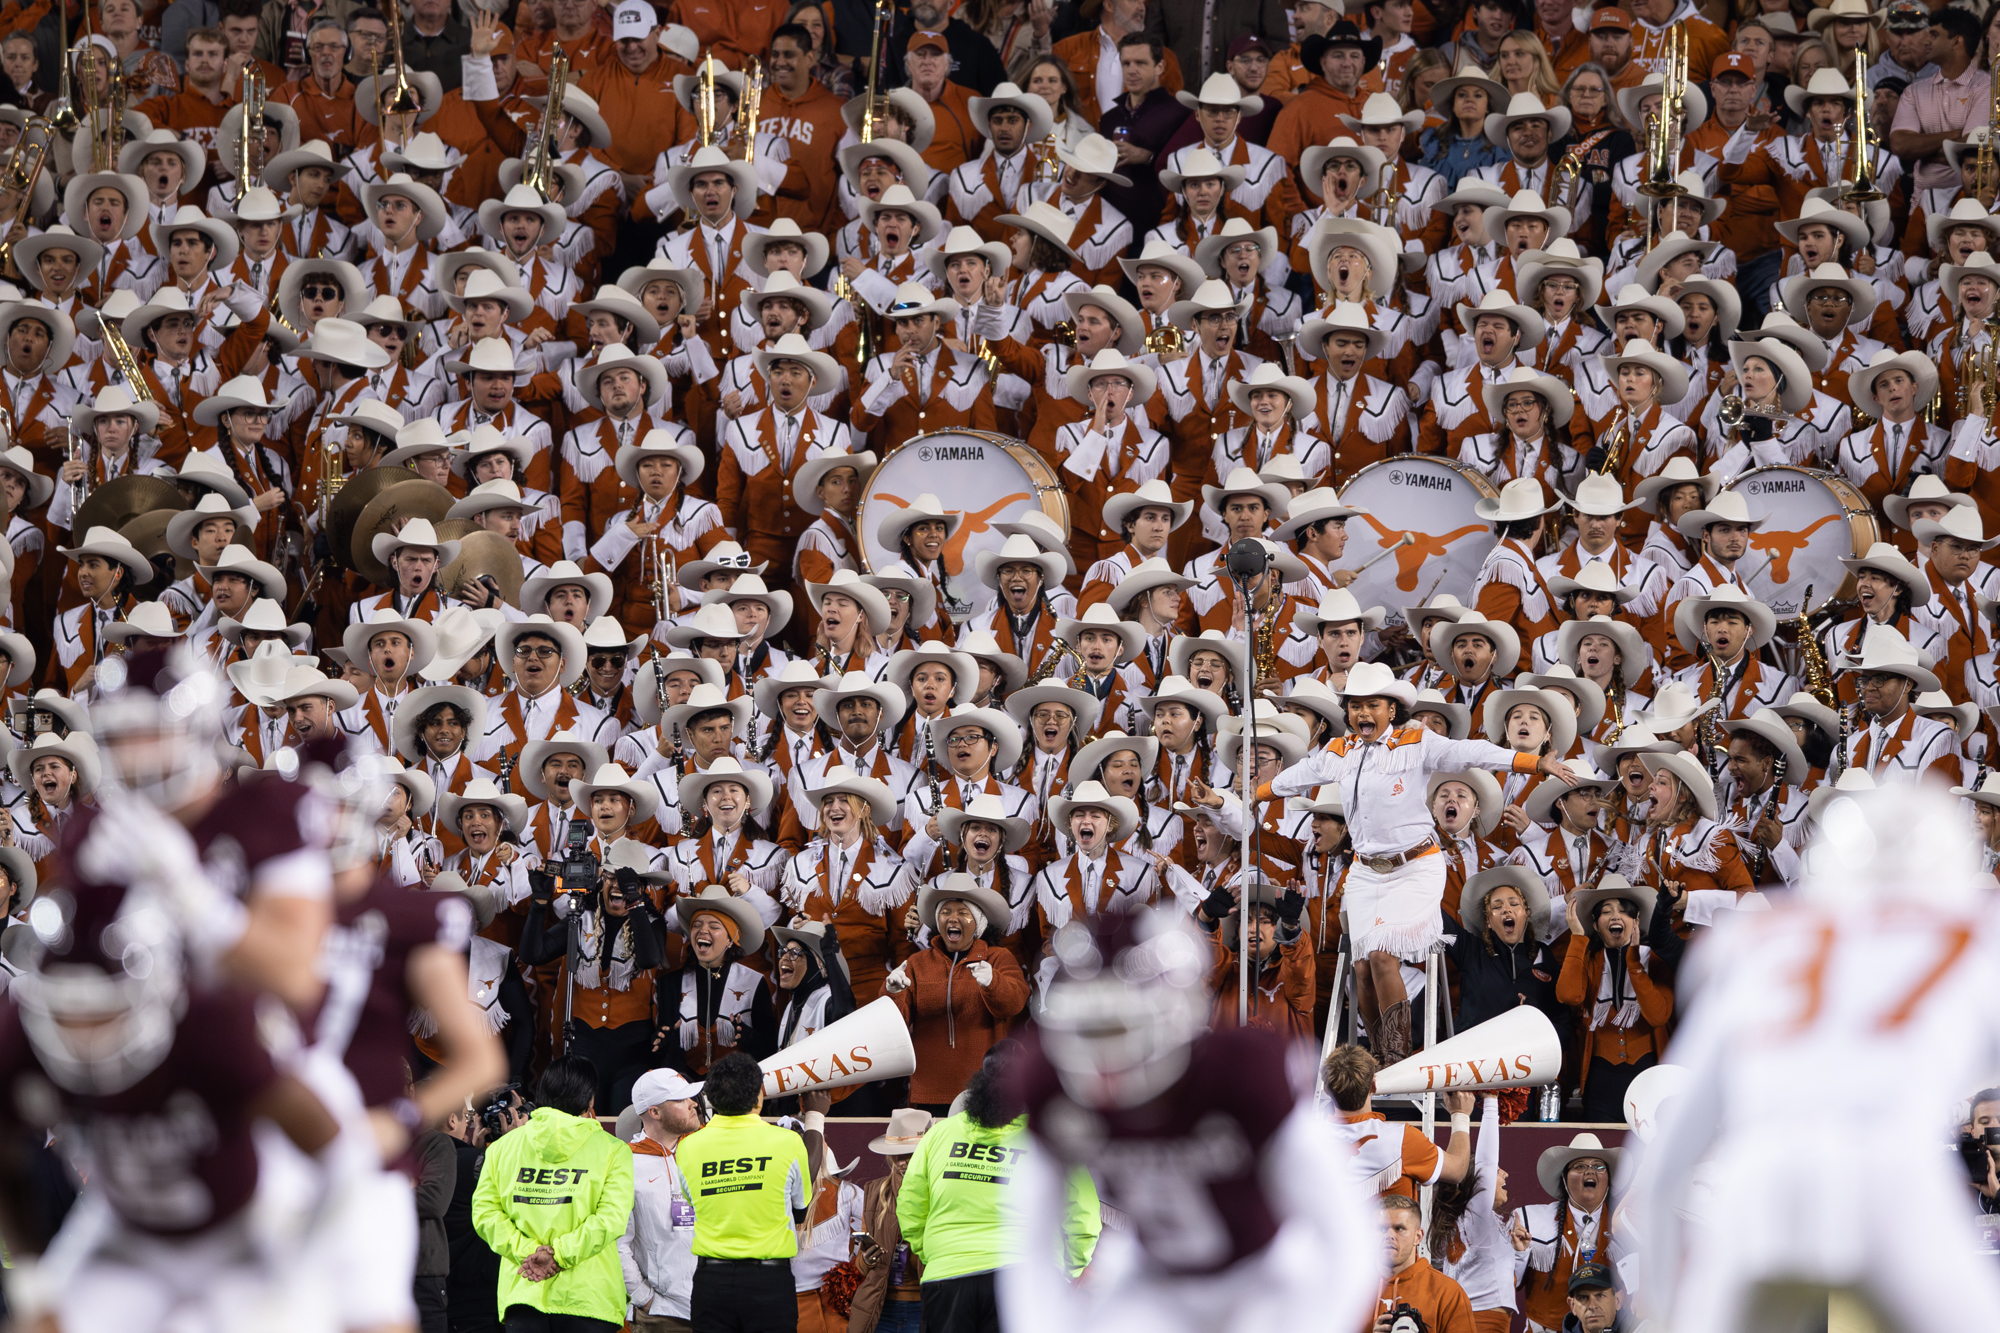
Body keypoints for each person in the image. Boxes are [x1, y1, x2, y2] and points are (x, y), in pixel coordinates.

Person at [472, 1055, 637, 1333]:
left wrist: (529, 1253)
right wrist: (558, 1256)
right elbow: (611, 1219)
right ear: (590, 1101)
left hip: (524, 1292)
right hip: (590, 1298)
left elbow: (485, 1214)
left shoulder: (501, 1148)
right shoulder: (614, 1150)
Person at [675, 1052, 826, 1333]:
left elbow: (694, 1203)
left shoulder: (688, 1147)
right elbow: (801, 1210)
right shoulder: (788, 1142)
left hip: (710, 1283)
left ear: (710, 1097)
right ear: (760, 1095)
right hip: (769, 1282)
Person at [622, 1067, 705, 1333]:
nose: (694, 1104)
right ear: (654, 1112)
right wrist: (644, 1297)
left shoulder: (707, 1152)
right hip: (661, 1314)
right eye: (681, 1100)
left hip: (718, 1305)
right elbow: (617, 1242)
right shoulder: (625, 1164)